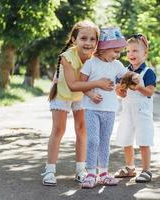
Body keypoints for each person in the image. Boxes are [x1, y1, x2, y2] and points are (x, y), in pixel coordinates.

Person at [41, 21, 114, 186]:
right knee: (59, 129)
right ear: (74, 40)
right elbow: (73, 84)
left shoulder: (96, 59)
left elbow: (90, 80)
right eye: (83, 38)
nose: (88, 43)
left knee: (82, 130)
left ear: (97, 42)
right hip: (62, 92)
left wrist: (92, 91)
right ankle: (50, 170)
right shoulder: (67, 57)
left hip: (81, 95)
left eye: (92, 39)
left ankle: (82, 170)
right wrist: (97, 85)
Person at [80, 27, 127, 189]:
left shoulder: (117, 64)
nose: (118, 55)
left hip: (110, 110)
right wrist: (91, 94)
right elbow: (82, 84)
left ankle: (104, 173)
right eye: (115, 51)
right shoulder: (90, 63)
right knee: (93, 140)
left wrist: (131, 79)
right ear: (104, 48)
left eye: (119, 52)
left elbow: (126, 76)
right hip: (92, 110)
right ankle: (90, 173)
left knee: (105, 142)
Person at [115, 34, 156, 183]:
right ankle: (130, 167)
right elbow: (121, 92)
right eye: (128, 51)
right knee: (126, 139)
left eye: (135, 51)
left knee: (144, 140)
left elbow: (150, 92)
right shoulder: (124, 71)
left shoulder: (148, 72)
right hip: (127, 111)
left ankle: (146, 170)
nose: (131, 54)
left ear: (145, 53)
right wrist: (120, 90)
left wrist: (139, 87)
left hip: (142, 111)